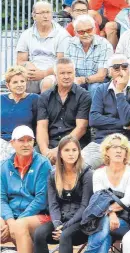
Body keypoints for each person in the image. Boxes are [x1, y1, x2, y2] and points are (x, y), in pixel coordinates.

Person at [82, 54, 130, 170]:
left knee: (118, 166)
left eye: (125, 67)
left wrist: (119, 92)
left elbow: (128, 118)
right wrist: (125, 126)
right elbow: (94, 119)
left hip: (128, 141)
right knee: (78, 165)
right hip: (103, 140)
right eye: (116, 68)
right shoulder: (101, 90)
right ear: (110, 72)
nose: (121, 72)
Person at [33, 135, 93, 253]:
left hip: (81, 223)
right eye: (67, 150)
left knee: (65, 235)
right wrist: (57, 224)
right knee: (39, 233)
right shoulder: (53, 175)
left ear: (79, 152)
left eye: (74, 150)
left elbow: (85, 206)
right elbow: (53, 205)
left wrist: (64, 227)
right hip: (60, 221)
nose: (71, 154)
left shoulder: (87, 174)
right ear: (60, 153)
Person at [0, 125, 53, 253]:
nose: (26, 144)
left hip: (39, 215)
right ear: (12, 143)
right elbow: (1, 199)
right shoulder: (4, 166)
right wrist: (9, 221)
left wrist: (15, 223)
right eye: (21, 140)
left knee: (19, 226)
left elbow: (41, 199)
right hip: (12, 216)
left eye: (29, 140)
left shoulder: (43, 163)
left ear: (34, 142)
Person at [85, 133, 130, 253]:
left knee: (102, 223)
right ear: (107, 151)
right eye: (114, 147)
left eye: (123, 148)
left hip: (127, 220)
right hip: (104, 218)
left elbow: (127, 201)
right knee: (105, 233)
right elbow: (99, 200)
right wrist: (111, 214)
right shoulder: (98, 174)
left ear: (126, 153)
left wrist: (109, 212)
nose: (119, 151)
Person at [36, 58, 91, 165]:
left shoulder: (84, 96)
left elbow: (81, 128)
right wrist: (45, 152)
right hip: (50, 144)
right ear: (55, 75)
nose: (66, 76)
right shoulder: (44, 97)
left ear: (74, 73)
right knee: (32, 162)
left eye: (69, 73)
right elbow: (42, 127)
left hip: (74, 144)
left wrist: (59, 150)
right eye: (62, 73)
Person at [16, 1, 70, 94]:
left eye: (48, 12)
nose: (46, 16)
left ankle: (43, 108)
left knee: (47, 83)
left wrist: (43, 74)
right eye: (42, 13)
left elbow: (62, 64)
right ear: (34, 16)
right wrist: (27, 65)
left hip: (52, 74)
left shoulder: (62, 35)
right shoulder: (26, 34)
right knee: (16, 81)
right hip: (31, 73)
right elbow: (20, 61)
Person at [63, 14, 114, 98]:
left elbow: (101, 76)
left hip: (99, 81)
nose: (86, 34)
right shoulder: (69, 44)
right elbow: (66, 69)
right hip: (76, 80)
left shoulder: (104, 44)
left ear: (94, 29)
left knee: (94, 87)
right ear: (75, 33)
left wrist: (83, 79)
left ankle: (94, 111)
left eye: (89, 30)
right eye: (81, 32)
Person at [0, 66, 39, 161]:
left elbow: (39, 125)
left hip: (24, 142)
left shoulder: (35, 99)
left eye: (22, 81)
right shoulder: (1, 99)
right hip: (3, 142)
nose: (19, 85)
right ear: (8, 85)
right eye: (15, 82)